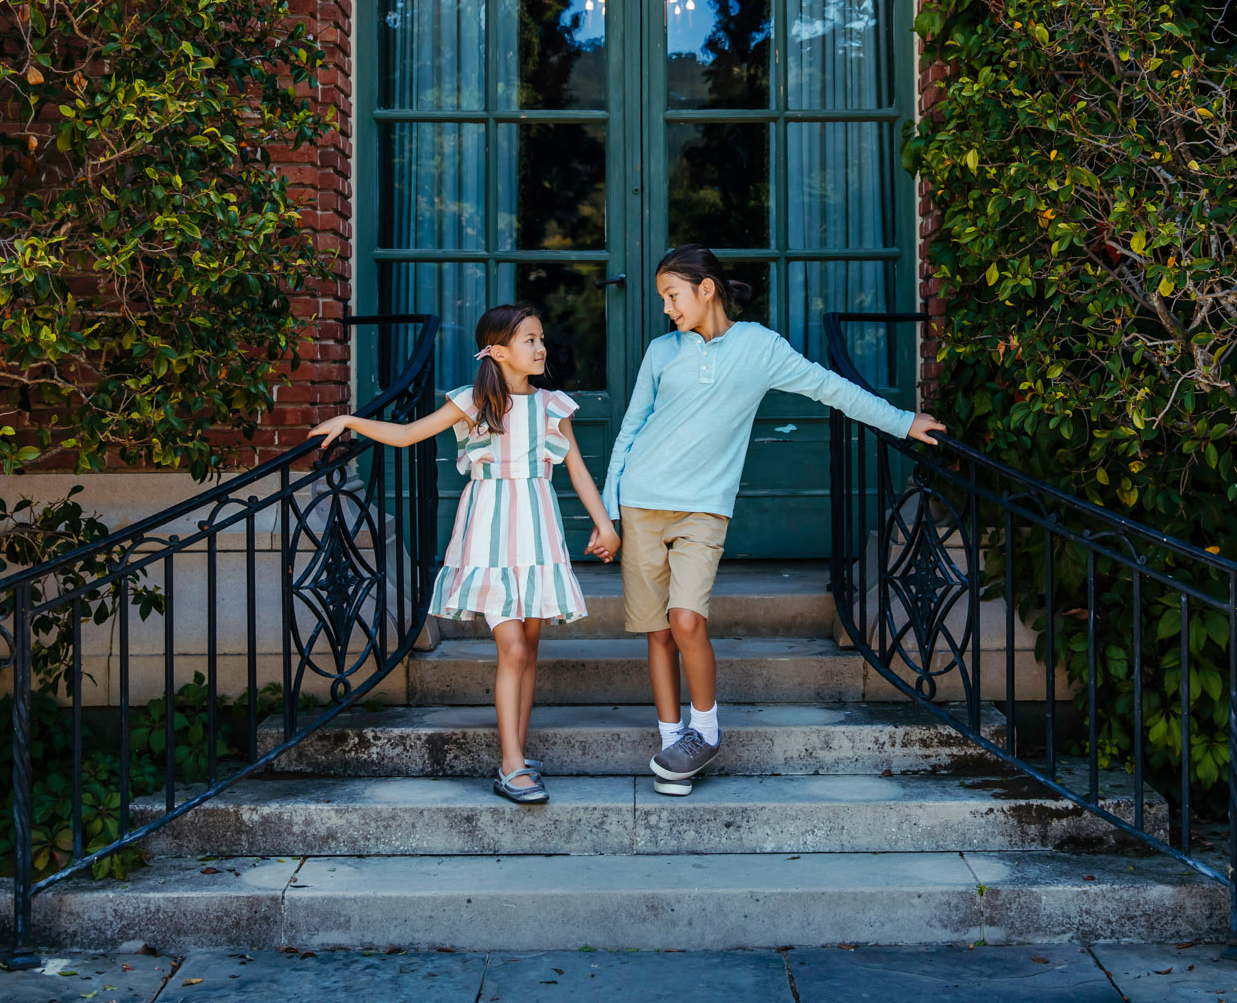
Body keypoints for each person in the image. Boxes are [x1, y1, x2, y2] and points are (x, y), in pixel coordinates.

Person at [604, 246, 947, 795]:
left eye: (673, 296)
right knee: (656, 631)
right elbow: (628, 430)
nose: (667, 308)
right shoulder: (660, 351)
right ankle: (674, 744)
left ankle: (705, 731)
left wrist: (903, 420)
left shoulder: (760, 347)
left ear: (706, 289)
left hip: (703, 507)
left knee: (687, 620)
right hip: (640, 501)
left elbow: (831, 388)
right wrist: (606, 511)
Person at [311, 303, 619, 805]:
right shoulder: (474, 403)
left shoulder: (553, 407)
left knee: (531, 650)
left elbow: (579, 471)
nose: (540, 348)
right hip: (488, 538)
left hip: (538, 535)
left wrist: (605, 525)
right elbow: (409, 434)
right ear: (497, 351)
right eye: (529, 340)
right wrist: (351, 420)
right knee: (513, 649)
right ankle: (512, 766)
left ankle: (515, 753)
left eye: (542, 339)